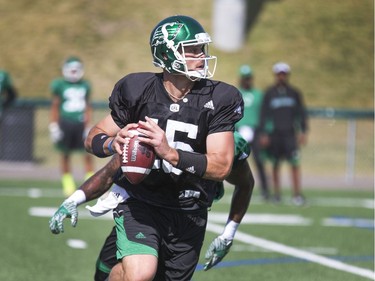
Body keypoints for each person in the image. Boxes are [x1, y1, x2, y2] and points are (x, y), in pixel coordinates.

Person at [83, 15, 244, 281]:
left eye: (202, 49)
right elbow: (93, 137)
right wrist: (113, 143)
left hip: (189, 211)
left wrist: (171, 153)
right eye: (191, 49)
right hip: (141, 202)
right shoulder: (138, 90)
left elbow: (222, 166)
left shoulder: (220, 98)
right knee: (140, 274)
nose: (201, 55)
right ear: (167, 53)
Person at [48, 132, 254, 281]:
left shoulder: (229, 146)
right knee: (115, 272)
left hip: (187, 219)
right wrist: (74, 199)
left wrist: (228, 233)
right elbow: (110, 170)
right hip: (141, 209)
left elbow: (245, 184)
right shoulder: (154, 131)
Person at [258, 62, 308, 206]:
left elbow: (301, 114)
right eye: (279, 74)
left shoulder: (294, 93)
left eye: (284, 74)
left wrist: (303, 131)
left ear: (287, 75)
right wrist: (263, 134)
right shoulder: (269, 93)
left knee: (294, 164)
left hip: (290, 134)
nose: (281, 76)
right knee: (275, 164)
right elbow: (263, 115)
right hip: (275, 135)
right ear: (275, 75)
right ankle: (277, 194)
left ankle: (297, 194)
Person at [49, 56, 94, 197]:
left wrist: (88, 125)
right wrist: (54, 125)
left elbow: (88, 106)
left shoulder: (85, 85)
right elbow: (55, 105)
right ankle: (67, 183)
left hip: (81, 122)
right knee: (65, 154)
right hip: (66, 122)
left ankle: (90, 181)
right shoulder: (59, 85)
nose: (74, 73)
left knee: (87, 152)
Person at [235, 64, 269, 200]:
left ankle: (265, 190)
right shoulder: (236, 93)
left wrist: (264, 132)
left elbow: (265, 114)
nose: (246, 80)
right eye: (244, 78)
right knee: (231, 161)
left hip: (255, 130)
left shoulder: (259, 95)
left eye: (248, 78)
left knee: (259, 161)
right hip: (238, 130)